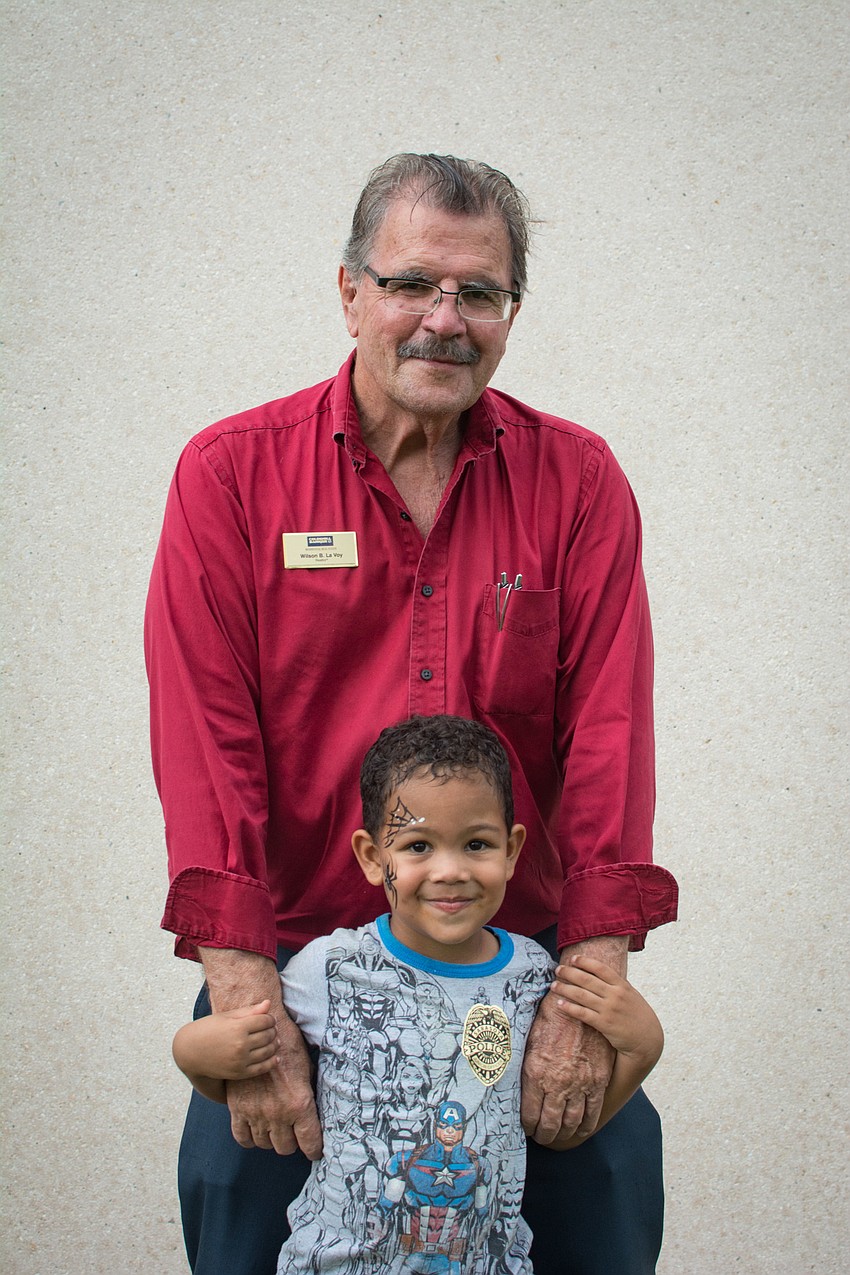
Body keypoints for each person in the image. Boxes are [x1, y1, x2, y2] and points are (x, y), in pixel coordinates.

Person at [145, 151, 678, 1275]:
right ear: (349, 292)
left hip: (513, 967)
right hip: (290, 967)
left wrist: (587, 995)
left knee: (607, 1203)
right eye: (410, 284)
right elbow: (207, 740)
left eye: (478, 294)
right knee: (245, 1224)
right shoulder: (232, 476)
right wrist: (245, 994)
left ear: (510, 313)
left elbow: (610, 740)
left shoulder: (577, 483)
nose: (444, 320)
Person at [171, 716, 665, 1274]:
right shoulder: (330, 970)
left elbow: (567, 1123)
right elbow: (241, 1068)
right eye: (418, 846)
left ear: (512, 850)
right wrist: (192, 1053)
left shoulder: (532, 979)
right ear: (372, 857)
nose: (449, 871)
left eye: (476, 844)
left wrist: (643, 1049)